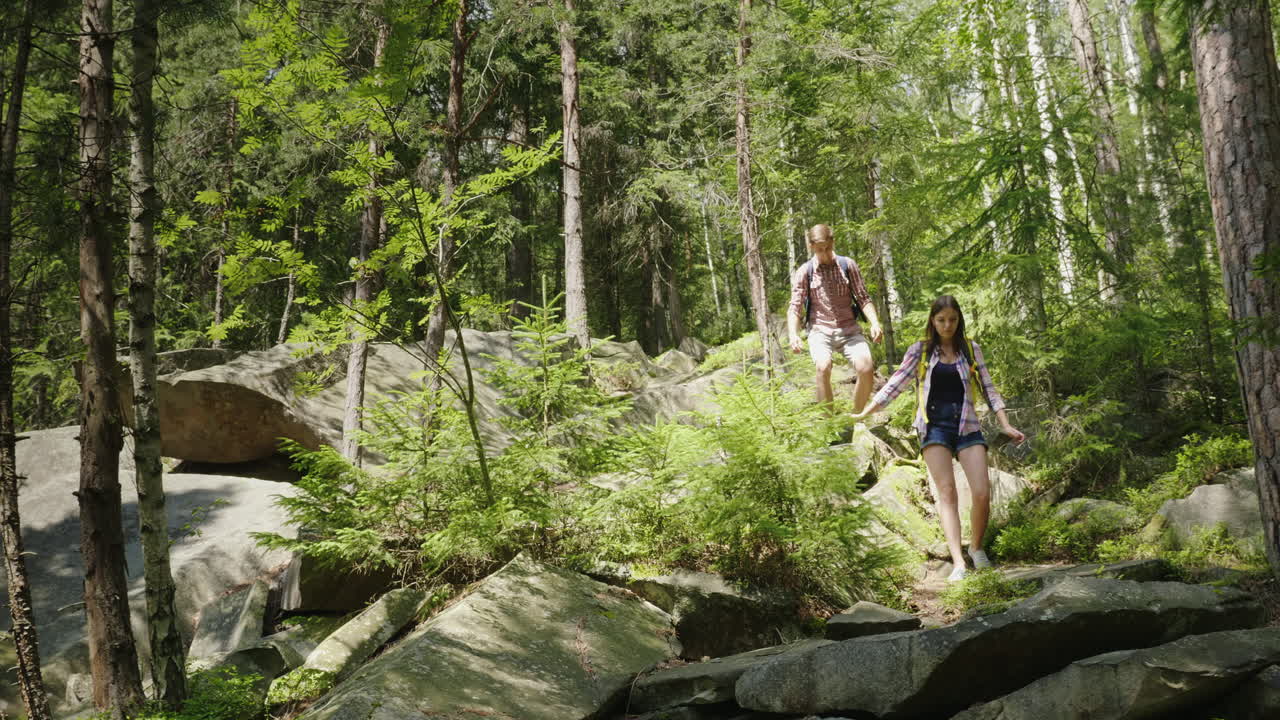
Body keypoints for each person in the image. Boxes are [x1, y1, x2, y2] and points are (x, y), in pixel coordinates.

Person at [851, 294, 1025, 582]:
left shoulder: (971, 349)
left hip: (967, 427)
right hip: (934, 429)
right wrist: (863, 413)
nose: (947, 325)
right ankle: (958, 562)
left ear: (959, 321)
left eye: (952, 320)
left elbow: (989, 388)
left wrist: (1005, 424)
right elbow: (895, 385)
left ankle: (977, 548)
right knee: (947, 494)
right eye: (942, 320)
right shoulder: (920, 350)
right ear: (932, 321)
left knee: (981, 493)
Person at [787, 224, 883, 412]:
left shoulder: (848, 265)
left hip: (849, 329)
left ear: (833, 242)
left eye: (828, 249)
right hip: (819, 330)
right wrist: (793, 334)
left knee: (866, 368)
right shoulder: (805, 272)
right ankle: (830, 427)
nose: (824, 254)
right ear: (811, 247)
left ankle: (857, 418)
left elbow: (863, 298)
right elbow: (795, 307)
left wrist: (874, 322)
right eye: (819, 250)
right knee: (823, 367)